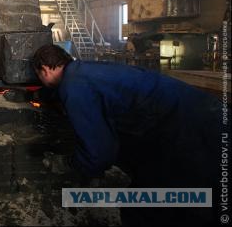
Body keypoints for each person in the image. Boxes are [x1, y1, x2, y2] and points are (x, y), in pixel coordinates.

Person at [32, 44, 221, 226]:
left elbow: (99, 155)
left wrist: (66, 163)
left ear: (44, 69)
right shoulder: (83, 70)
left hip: (192, 131)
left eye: (38, 76)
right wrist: (40, 96)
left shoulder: (73, 86)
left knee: (152, 210)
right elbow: (78, 91)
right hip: (205, 112)